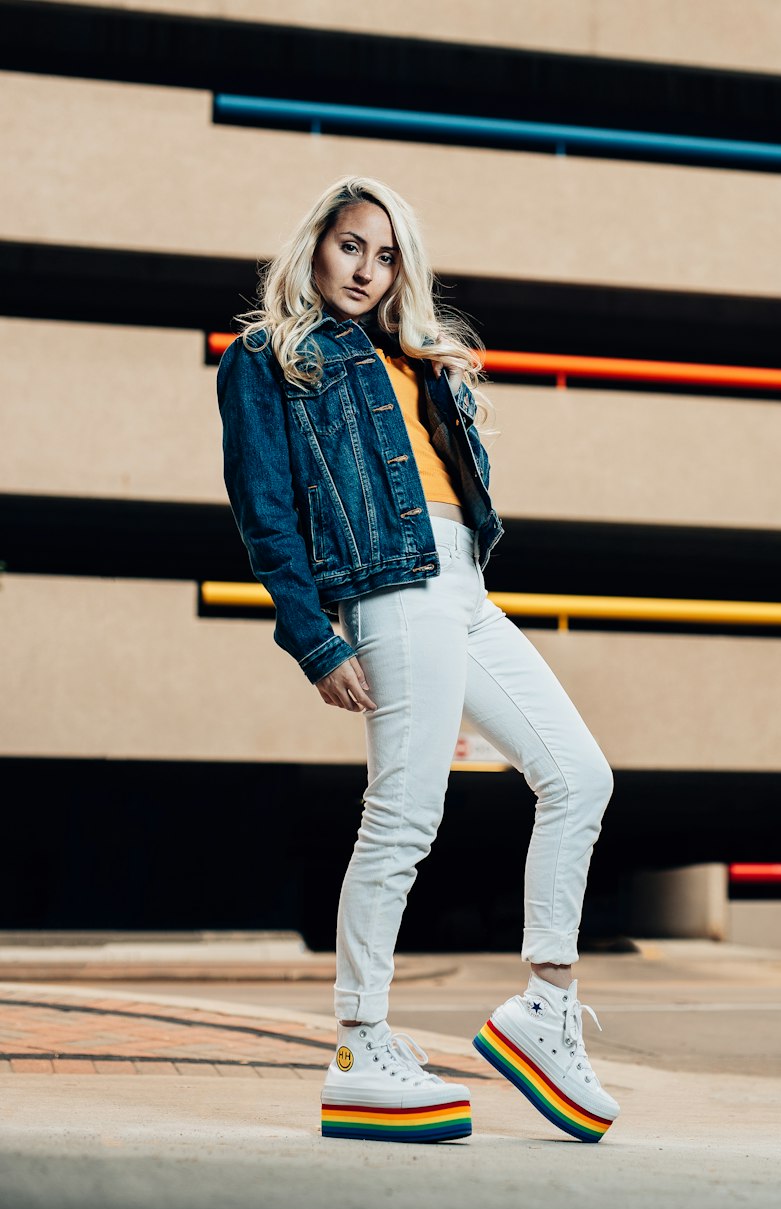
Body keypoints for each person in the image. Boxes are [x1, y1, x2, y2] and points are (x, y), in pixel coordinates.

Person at [217, 175, 618, 1144]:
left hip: (465, 585)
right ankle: (359, 1041)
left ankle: (542, 1008)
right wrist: (314, 636)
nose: (366, 267)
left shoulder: (419, 356)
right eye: (351, 245)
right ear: (317, 246)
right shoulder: (269, 356)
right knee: (404, 813)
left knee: (579, 774)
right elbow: (264, 512)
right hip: (388, 588)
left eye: (386, 254)